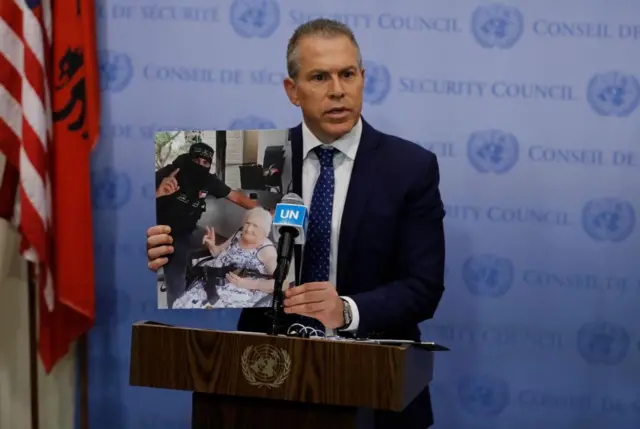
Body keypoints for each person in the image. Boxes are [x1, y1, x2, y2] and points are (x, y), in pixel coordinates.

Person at [146, 19, 445, 428]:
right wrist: (172, 244)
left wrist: (346, 309)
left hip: (373, 388)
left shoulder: (410, 168)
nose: (337, 90)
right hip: (264, 385)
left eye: (347, 74)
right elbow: (238, 237)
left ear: (363, 79)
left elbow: (423, 287)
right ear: (293, 90)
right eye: (319, 77)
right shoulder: (267, 167)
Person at [155, 141, 259, 308]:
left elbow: (236, 197)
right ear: (189, 159)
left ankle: (215, 287)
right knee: (177, 282)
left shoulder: (208, 180)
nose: (200, 166)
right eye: (196, 161)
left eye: (205, 163)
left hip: (191, 229)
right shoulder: (170, 172)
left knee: (227, 245)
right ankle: (176, 315)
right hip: (167, 233)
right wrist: (158, 192)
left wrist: (265, 211)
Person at [172, 207, 277, 309]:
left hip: (236, 295)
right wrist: (211, 245)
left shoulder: (267, 251)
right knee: (180, 306)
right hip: (211, 282)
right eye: (248, 223)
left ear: (265, 231)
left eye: (255, 226)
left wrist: (248, 283)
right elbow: (220, 253)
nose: (249, 229)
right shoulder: (239, 234)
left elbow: (282, 283)